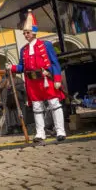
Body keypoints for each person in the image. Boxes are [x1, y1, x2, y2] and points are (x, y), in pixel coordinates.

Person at [6, 9, 66, 145]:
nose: (25, 35)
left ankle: (60, 131)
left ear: (33, 31)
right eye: (24, 33)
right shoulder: (24, 50)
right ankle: (40, 133)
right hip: (32, 82)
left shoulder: (46, 45)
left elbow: (54, 63)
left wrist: (57, 79)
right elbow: (22, 67)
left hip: (46, 79)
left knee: (54, 104)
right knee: (37, 107)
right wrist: (13, 67)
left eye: (27, 32)